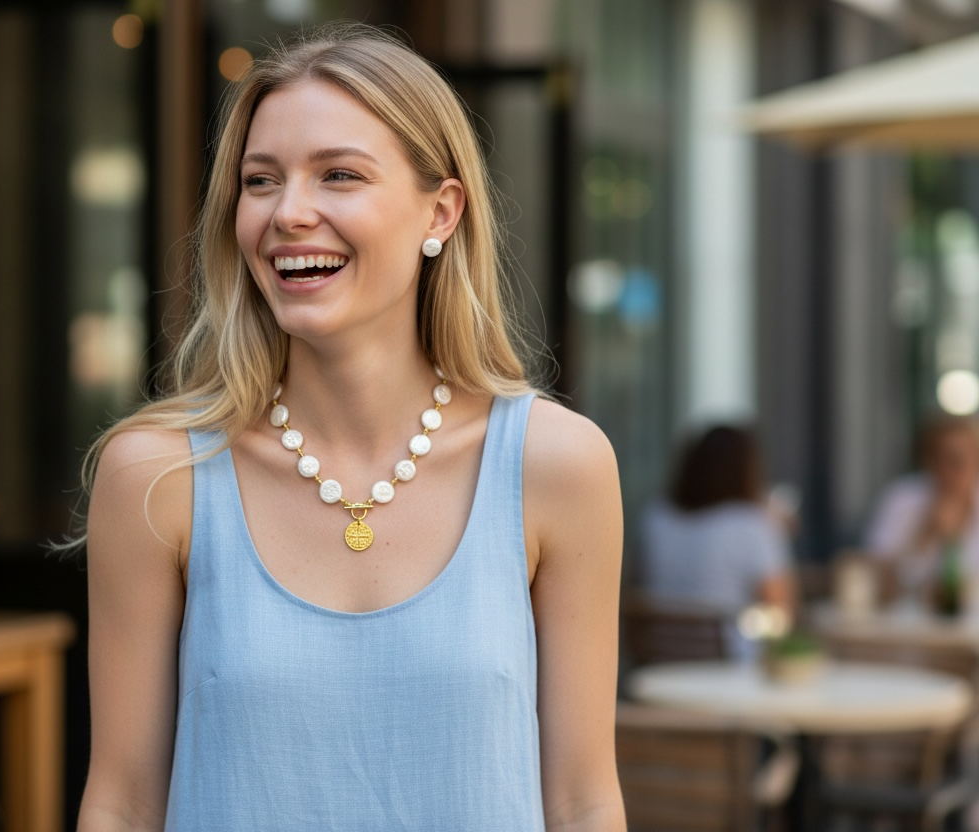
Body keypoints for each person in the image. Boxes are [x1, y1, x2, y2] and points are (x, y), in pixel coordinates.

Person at [75, 22, 624, 832]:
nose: (289, 212)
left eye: (338, 175)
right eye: (260, 181)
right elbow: (121, 803)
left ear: (440, 213)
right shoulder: (157, 475)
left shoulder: (558, 465)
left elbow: (582, 800)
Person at [638, 426, 796, 652]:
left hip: (658, 659)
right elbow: (780, 617)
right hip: (730, 670)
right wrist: (779, 533)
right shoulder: (752, 525)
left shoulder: (655, 517)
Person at [864, 414, 979, 612]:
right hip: (910, 629)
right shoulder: (901, 499)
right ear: (930, 461)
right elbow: (874, 578)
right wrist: (926, 532)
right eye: (950, 459)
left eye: (967, 456)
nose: (959, 468)